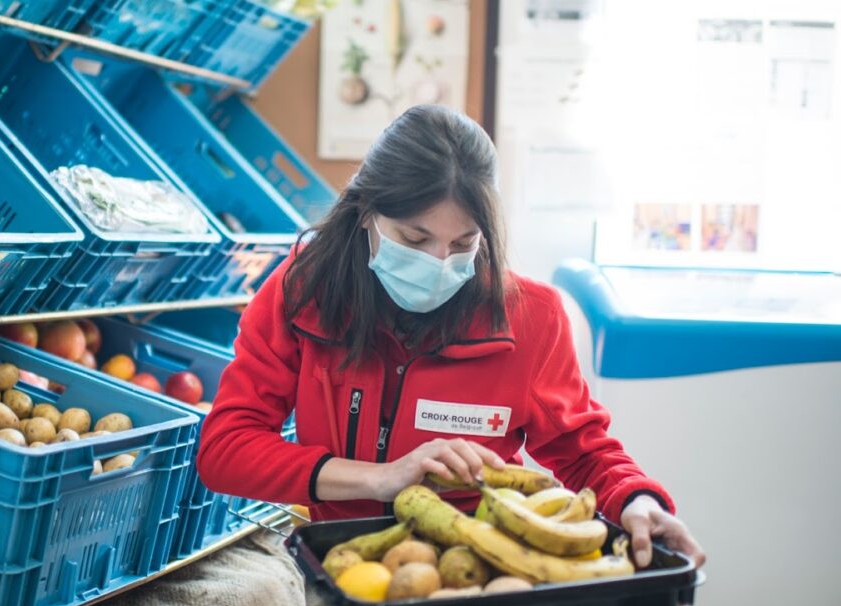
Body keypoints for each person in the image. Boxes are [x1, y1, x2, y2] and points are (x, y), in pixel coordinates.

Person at [198, 105, 705, 569]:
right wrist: (379, 477)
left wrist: (639, 500)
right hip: (344, 563)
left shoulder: (533, 317)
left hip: (476, 565)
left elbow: (583, 450)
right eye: (415, 239)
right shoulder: (303, 291)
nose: (439, 263)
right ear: (366, 212)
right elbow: (225, 450)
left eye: (463, 243)